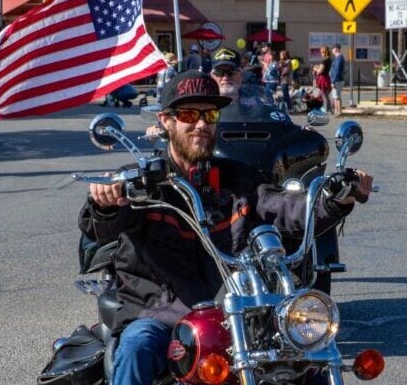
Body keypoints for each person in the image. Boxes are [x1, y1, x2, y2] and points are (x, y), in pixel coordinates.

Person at [80, 70, 373, 385]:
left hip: (234, 310)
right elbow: (101, 228)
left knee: (305, 355)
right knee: (139, 344)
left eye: (210, 114)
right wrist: (105, 202)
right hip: (159, 313)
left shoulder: (240, 180)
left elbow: (290, 212)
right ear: (166, 120)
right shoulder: (141, 183)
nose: (202, 124)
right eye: (189, 114)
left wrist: (338, 197)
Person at [313, 45, 332, 111]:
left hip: (323, 79)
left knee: (324, 95)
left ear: (324, 52)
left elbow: (320, 71)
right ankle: (328, 108)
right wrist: (319, 67)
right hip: (326, 77)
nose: (321, 54)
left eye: (321, 52)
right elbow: (325, 68)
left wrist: (316, 69)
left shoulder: (324, 60)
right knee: (326, 95)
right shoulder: (329, 59)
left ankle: (326, 109)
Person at [329, 43, 346, 115]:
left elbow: (337, 70)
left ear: (336, 49)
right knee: (334, 97)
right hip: (335, 80)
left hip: (337, 80)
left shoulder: (339, 58)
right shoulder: (337, 58)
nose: (332, 51)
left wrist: (333, 81)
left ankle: (339, 112)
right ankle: (336, 110)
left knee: (337, 97)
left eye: (332, 49)